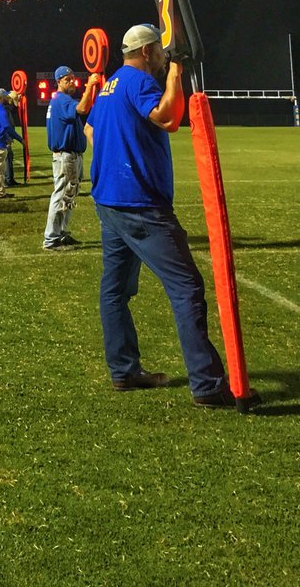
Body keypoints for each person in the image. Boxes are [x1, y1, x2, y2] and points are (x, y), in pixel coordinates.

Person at [85, 23, 232, 407]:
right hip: (140, 205)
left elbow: (90, 131)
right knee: (186, 287)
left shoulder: (110, 85)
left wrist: (119, 155)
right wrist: (176, 74)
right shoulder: (139, 81)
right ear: (148, 51)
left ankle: (124, 370)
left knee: (115, 291)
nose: (165, 58)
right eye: (162, 53)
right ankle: (208, 384)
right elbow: (168, 118)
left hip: (109, 202)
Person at [43, 66, 98, 250]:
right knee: (61, 196)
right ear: (58, 81)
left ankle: (61, 233)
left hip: (69, 155)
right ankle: (51, 239)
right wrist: (90, 85)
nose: (72, 82)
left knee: (68, 196)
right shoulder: (62, 100)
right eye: (67, 79)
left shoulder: (59, 100)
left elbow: (83, 107)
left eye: (72, 78)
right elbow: (82, 108)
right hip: (66, 155)